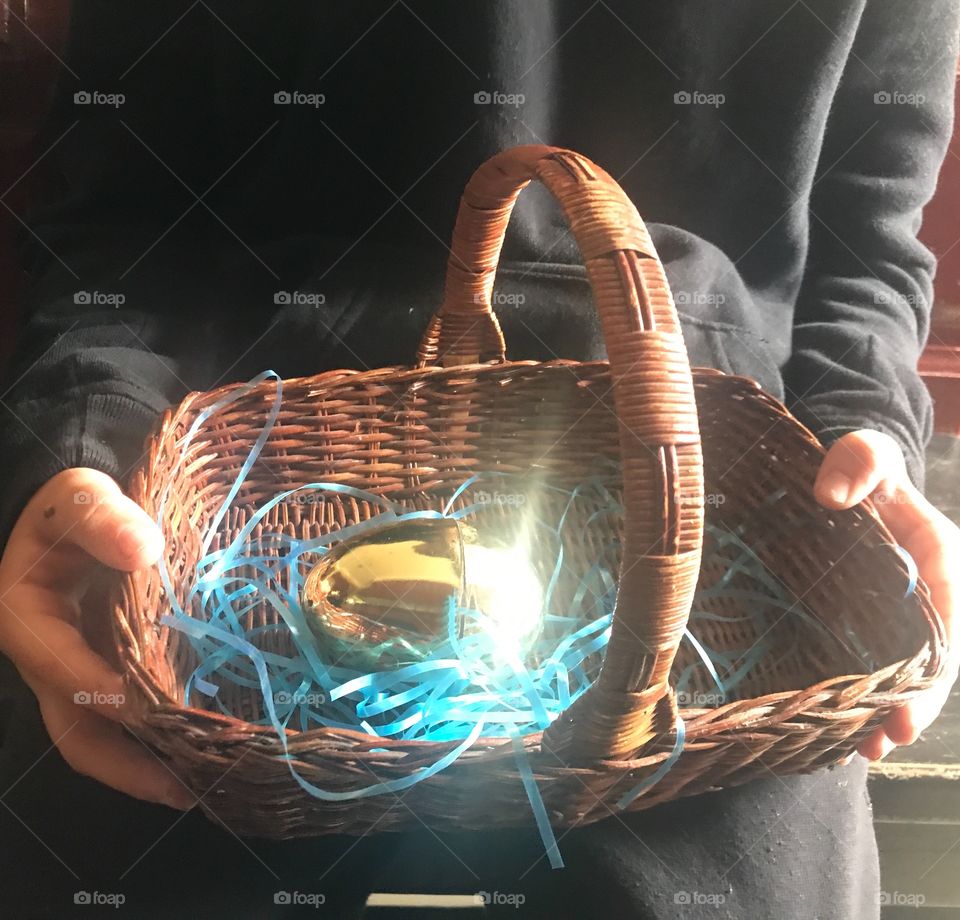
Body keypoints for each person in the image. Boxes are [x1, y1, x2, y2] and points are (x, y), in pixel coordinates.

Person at [1, 2, 958, 917]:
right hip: (240, 478)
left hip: (700, 502)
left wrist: (865, 424)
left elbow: (866, 240)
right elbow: (122, 219)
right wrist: (84, 437)